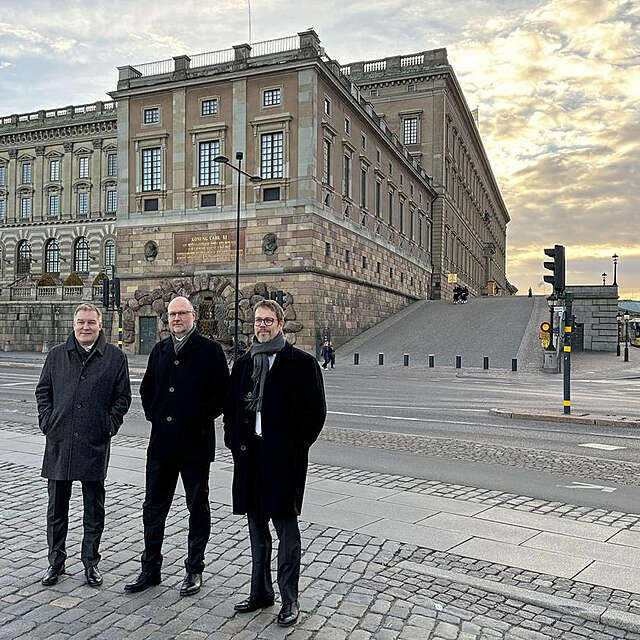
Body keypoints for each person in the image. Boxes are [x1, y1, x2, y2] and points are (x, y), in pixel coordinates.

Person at [224, 300, 326, 627]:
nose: (262, 326)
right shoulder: (243, 364)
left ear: (280, 324)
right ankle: (260, 592)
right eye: (258, 321)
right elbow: (231, 411)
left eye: (268, 320)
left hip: (284, 459)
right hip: (250, 457)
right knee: (256, 530)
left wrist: (295, 448)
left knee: (286, 530)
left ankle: (289, 598)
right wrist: (233, 441)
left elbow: (315, 414)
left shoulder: (301, 364)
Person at [124, 296, 229, 597]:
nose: (176, 319)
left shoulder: (210, 351)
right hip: (161, 446)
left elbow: (222, 395)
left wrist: (193, 417)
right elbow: (147, 390)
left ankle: (194, 568)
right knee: (153, 508)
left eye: (182, 313)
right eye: (172, 314)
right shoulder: (160, 350)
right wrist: (157, 415)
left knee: (197, 506)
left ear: (193, 316)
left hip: (195, 443)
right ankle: (150, 568)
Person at [35, 303, 131, 587]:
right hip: (61, 440)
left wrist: (108, 425)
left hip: (94, 441)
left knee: (93, 507)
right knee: (57, 509)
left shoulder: (114, 357)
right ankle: (56, 561)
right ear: (73, 324)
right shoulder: (56, 356)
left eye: (91, 322)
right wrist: (48, 422)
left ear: (100, 325)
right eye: (80, 322)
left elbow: (122, 397)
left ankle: (91, 562)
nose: (85, 327)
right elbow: (43, 391)